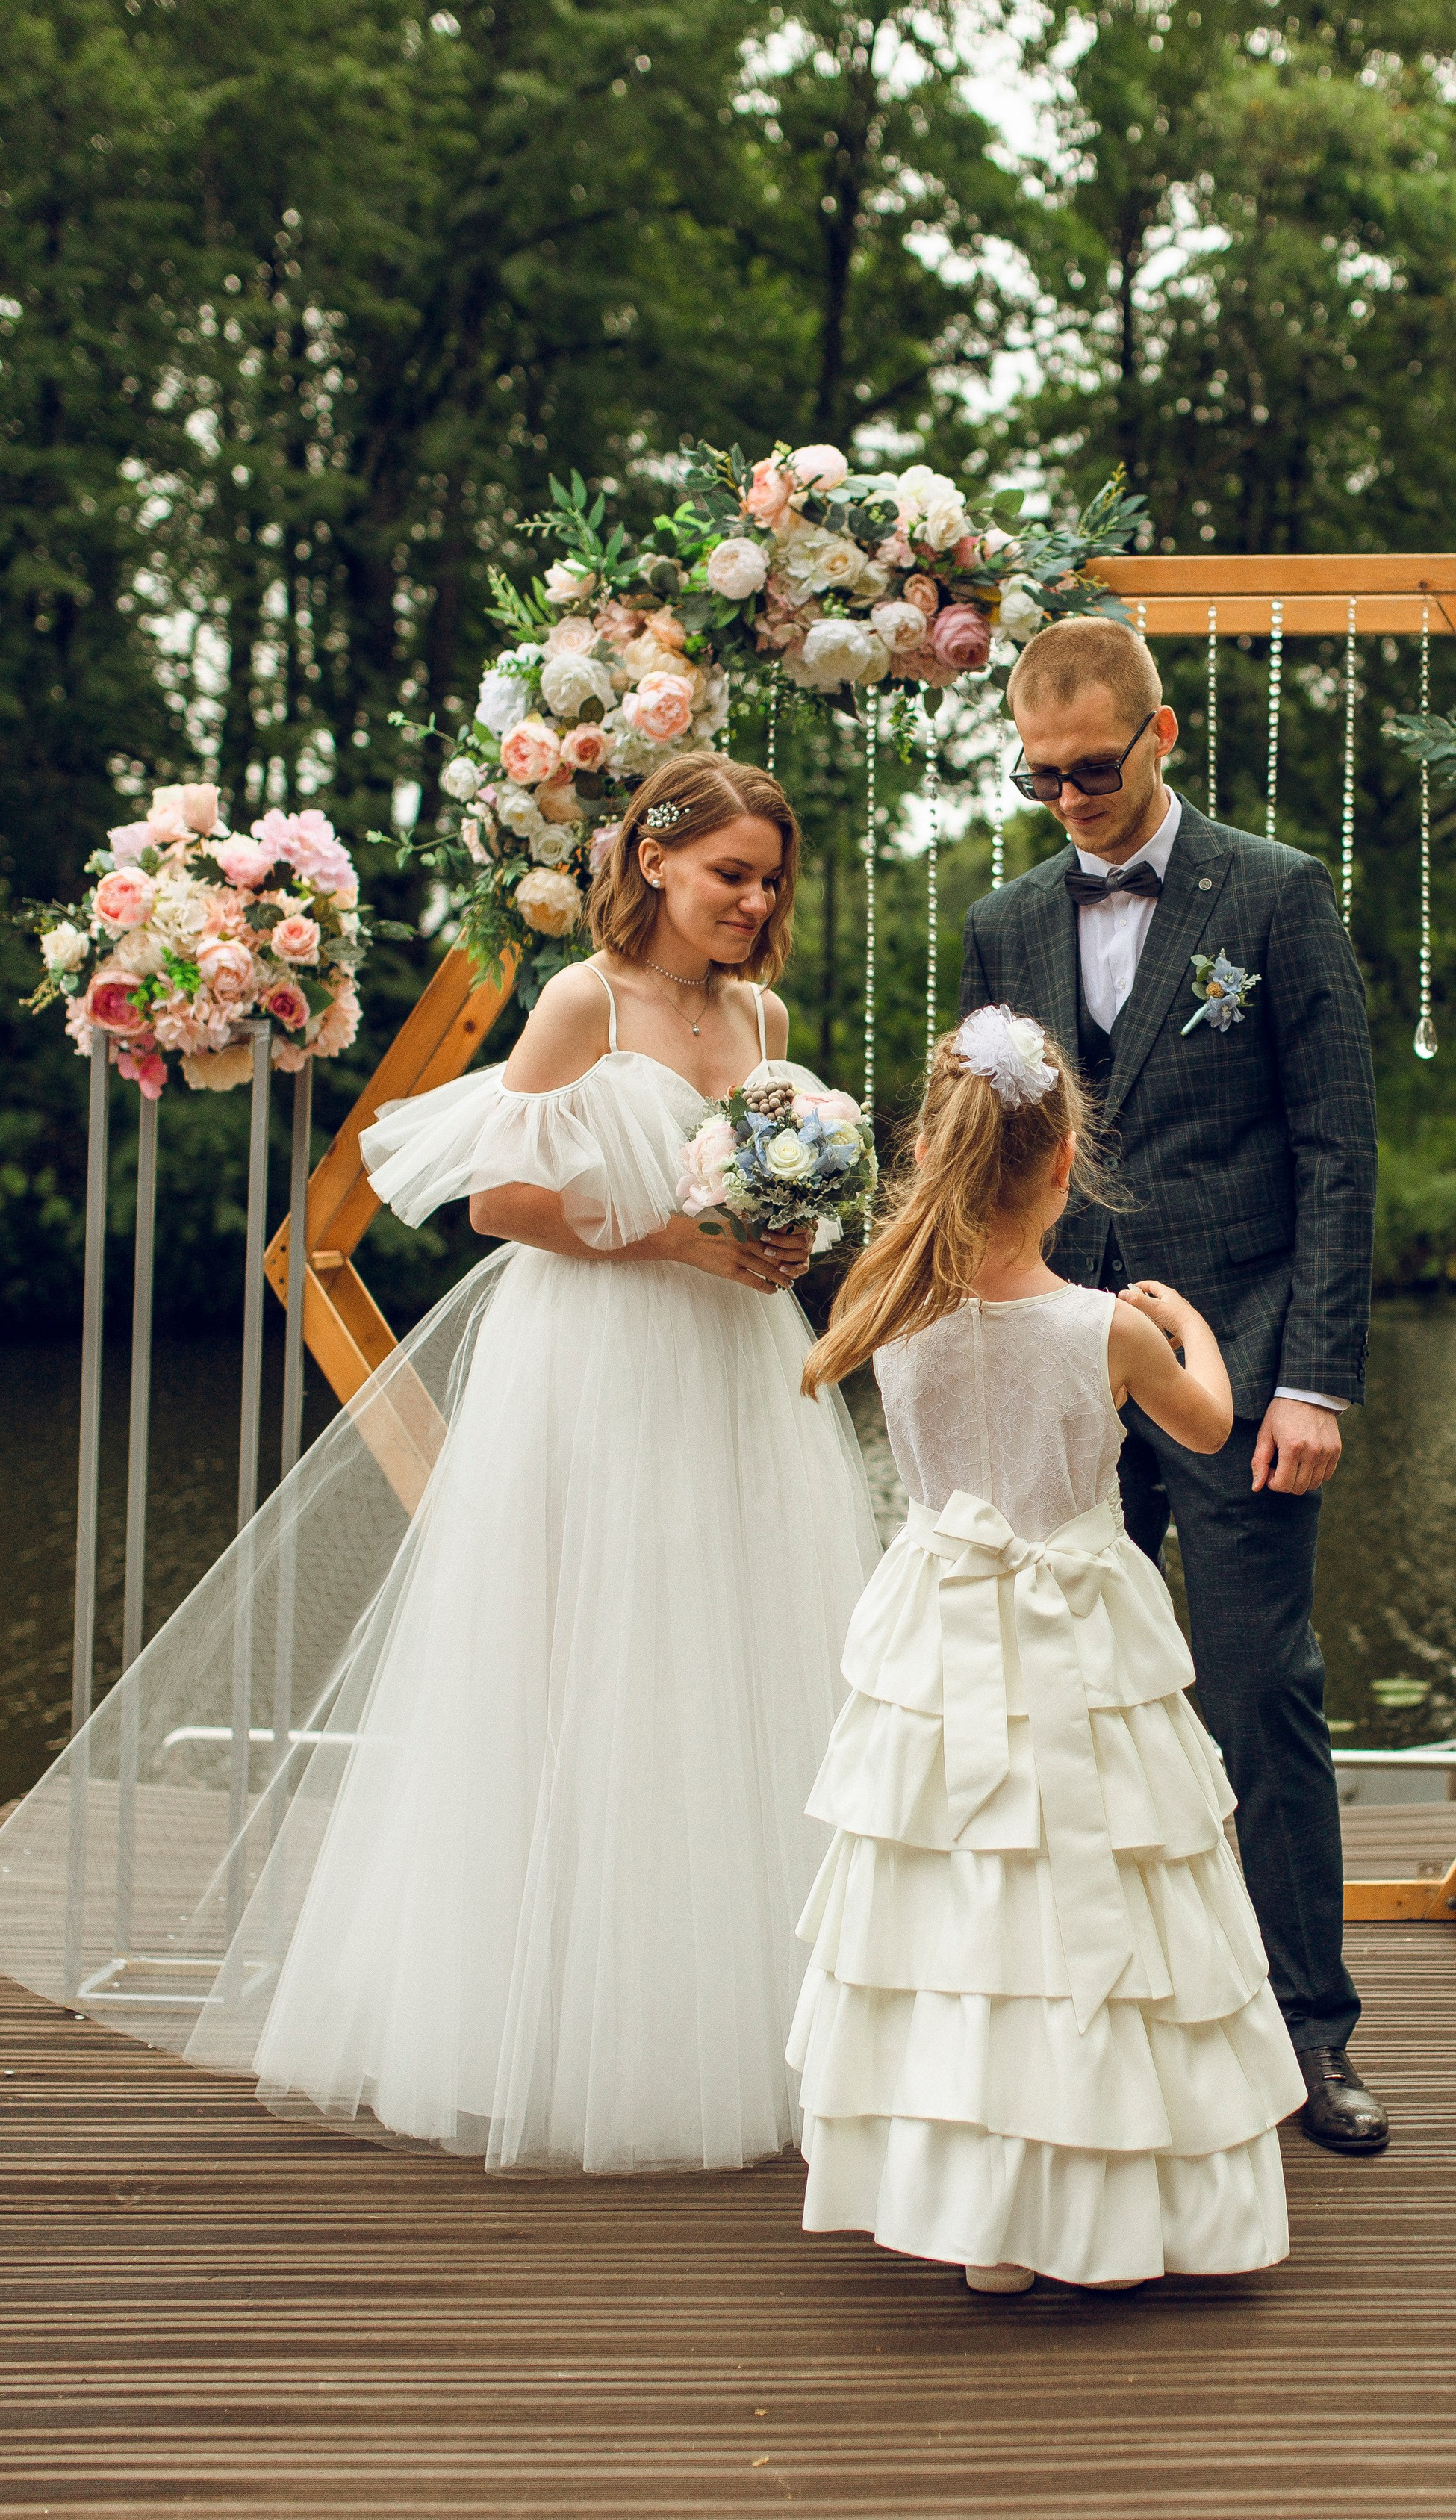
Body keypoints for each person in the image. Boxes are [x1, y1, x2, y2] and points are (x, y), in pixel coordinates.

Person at [0, 752, 878, 2174]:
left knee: (728, 1658)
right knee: (579, 1658)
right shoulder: (584, 1003)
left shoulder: (765, 1011)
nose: (756, 899)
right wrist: (682, 1236)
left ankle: (737, 2016)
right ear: (656, 861)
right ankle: (542, 2024)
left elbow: (764, 1189)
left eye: (770, 878)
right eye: (734, 873)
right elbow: (499, 1197)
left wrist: (785, 1241)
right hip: (602, 1357)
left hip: (732, 1368)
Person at [790, 1008, 1306, 2293]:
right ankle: (1110, 2201)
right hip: (1079, 1622)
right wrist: (1187, 1321)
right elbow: (1210, 1422)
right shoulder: (1105, 1328)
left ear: (933, 1151)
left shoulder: (880, 1306)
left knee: (964, 1893)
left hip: (936, 1615)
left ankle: (983, 2213)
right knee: (1109, 1881)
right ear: (1066, 1162)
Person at [958, 619, 1386, 2156]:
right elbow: (986, 1155)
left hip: (1247, 1348)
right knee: (1068, 1693)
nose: (1068, 796)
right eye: (1040, 773)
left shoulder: (1272, 893)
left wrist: (1316, 1381)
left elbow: (1338, 1150)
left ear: (1164, 734)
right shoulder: (1001, 919)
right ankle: (1105, 2022)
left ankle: (1307, 2030)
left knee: (1257, 1685)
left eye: (1091, 766)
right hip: (1062, 1357)